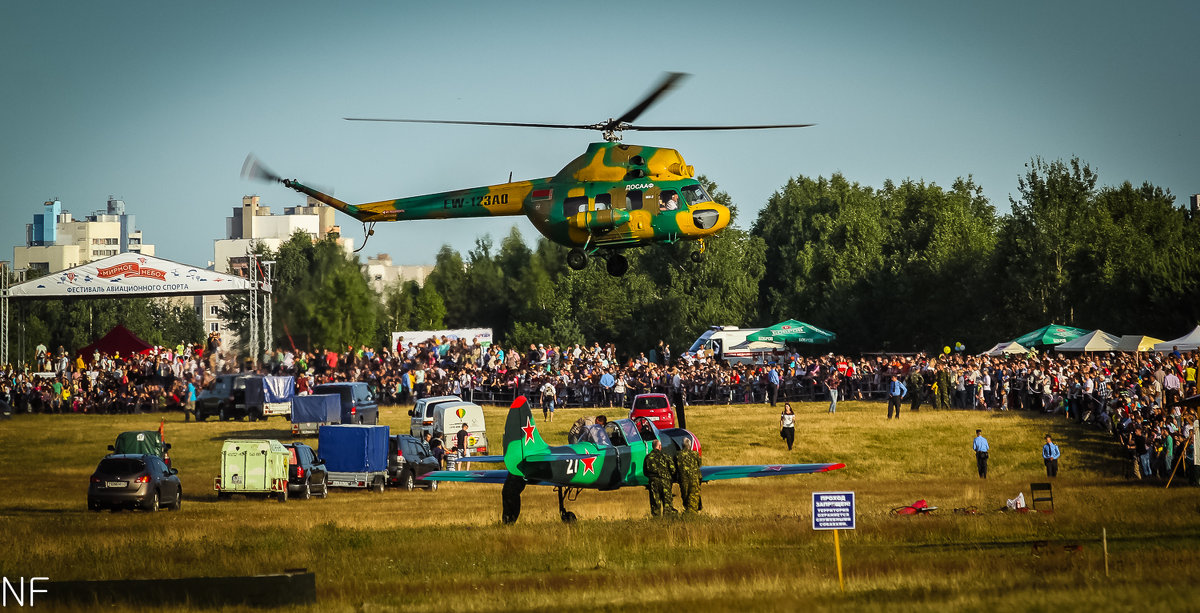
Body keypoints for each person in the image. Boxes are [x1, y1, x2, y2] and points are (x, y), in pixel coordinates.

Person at [643, 440, 677, 516]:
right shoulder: (666, 456)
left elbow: (645, 472)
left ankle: (656, 522)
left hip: (653, 483)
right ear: (660, 446)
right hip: (666, 483)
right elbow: (673, 470)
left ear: (653, 446)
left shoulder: (648, 457)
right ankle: (667, 522)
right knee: (667, 505)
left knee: (655, 506)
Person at [674, 438, 702, 513]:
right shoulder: (695, 454)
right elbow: (699, 464)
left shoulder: (678, 455)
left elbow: (675, 467)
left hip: (684, 480)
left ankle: (688, 514)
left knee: (685, 498)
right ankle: (693, 515)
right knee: (694, 498)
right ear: (689, 445)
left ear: (682, 445)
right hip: (695, 479)